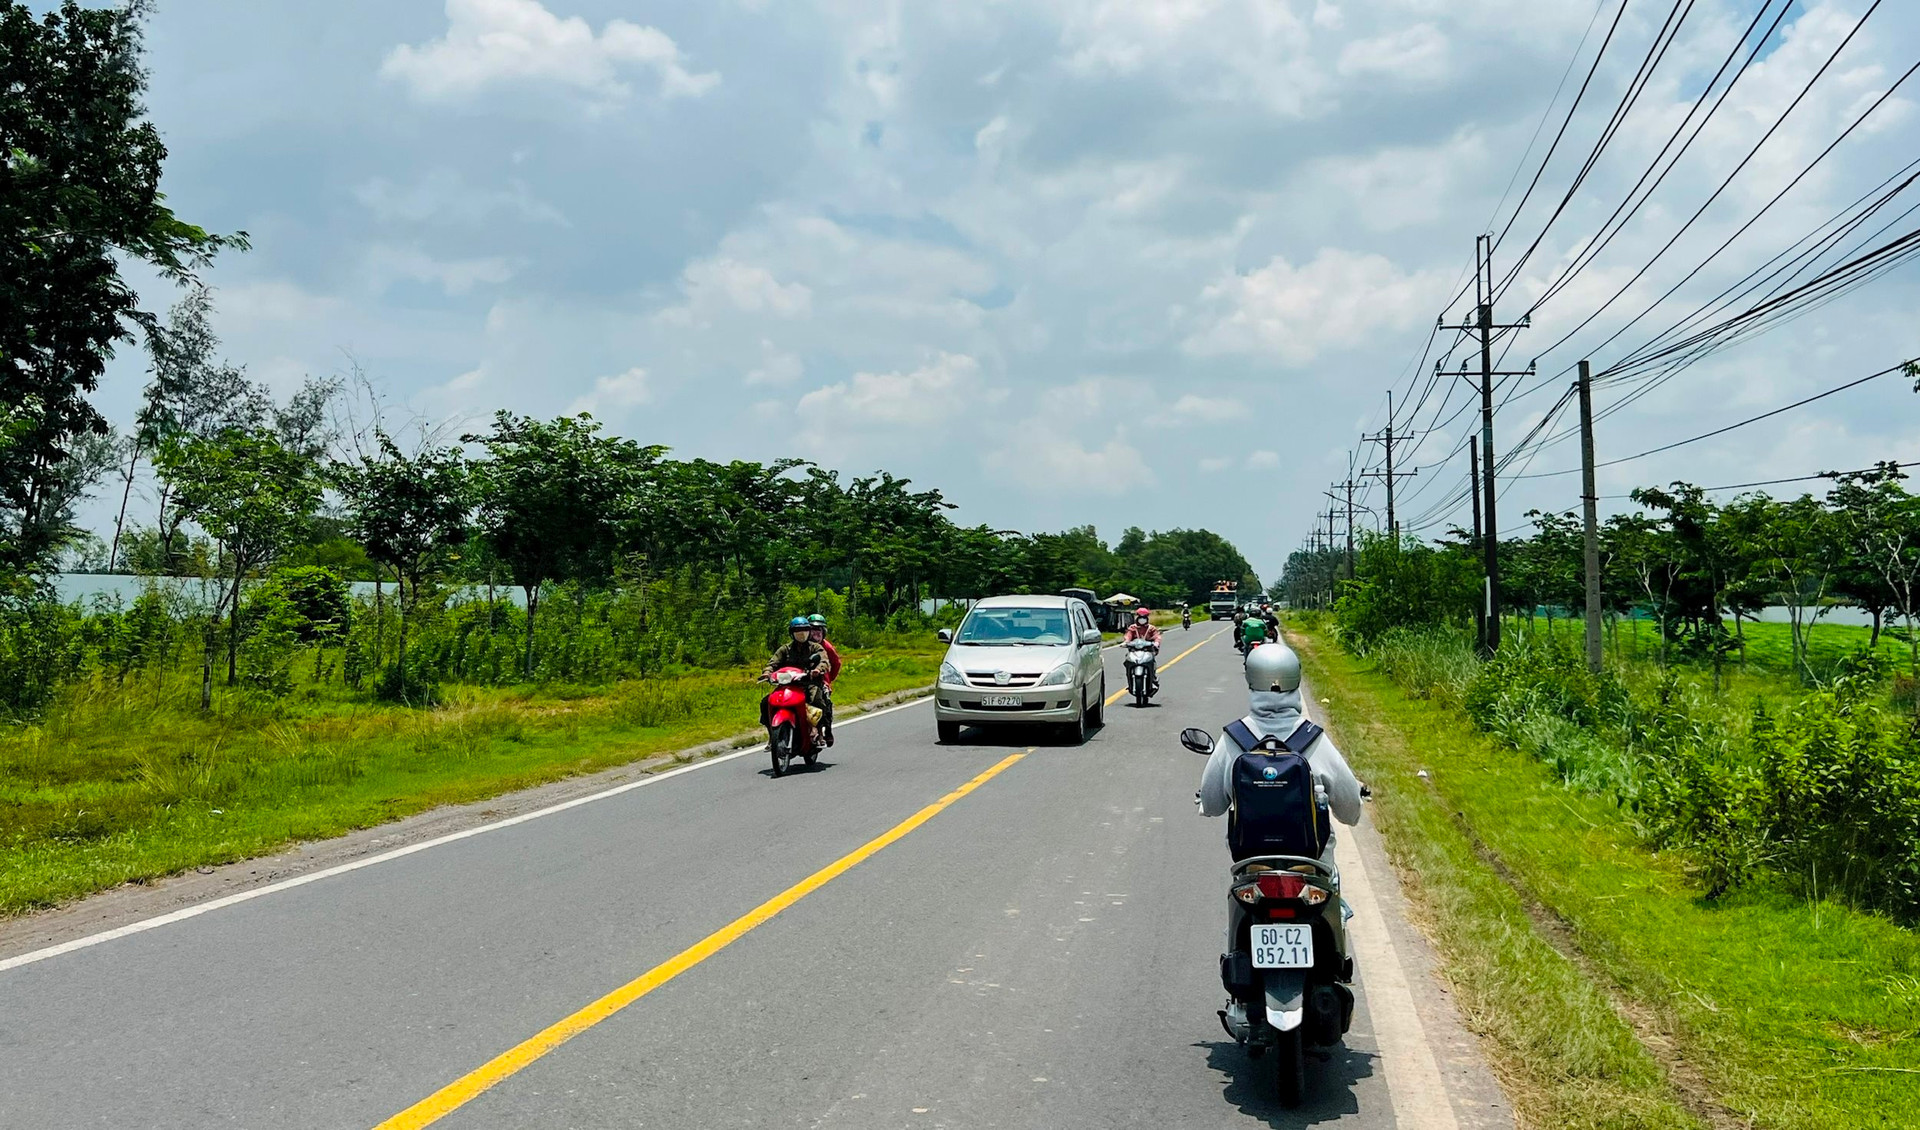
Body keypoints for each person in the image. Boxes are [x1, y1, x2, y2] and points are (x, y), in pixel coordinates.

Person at [1197, 642, 1364, 1010]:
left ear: (1250, 681)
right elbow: (1350, 807)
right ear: (1295, 682)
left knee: (1237, 904)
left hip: (1252, 867)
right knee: (1335, 898)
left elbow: (1210, 803)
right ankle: (1334, 963)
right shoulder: (1313, 739)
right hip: (1312, 866)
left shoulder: (1234, 738)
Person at [765, 616, 833, 745]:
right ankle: (772, 735)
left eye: (804, 631)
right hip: (788, 684)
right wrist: (767, 673)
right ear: (792, 634)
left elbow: (824, 661)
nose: (801, 634)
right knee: (766, 702)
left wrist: (818, 670)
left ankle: (818, 731)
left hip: (809, 683)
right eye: (798, 632)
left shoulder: (816, 648)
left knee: (816, 699)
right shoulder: (785, 649)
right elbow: (773, 662)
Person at [808, 613, 841, 744]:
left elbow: (836, 663)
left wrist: (828, 680)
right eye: (813, 629)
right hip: (803, 679)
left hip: (822, 680)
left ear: (823, 631)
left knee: (824, 702)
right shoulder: (802, 645)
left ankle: (827, 730)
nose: (816, 633)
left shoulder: (827, 647)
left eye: (819, 629)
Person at [1123, 608, 1163, 694]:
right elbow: (1128, 636)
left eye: (1144, 617)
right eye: (1140, 617)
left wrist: (1156, 643)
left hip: (1148, 651)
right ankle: (1130, 678)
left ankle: (1153, 678)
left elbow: (1157, 636)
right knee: (1127, 662)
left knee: (1152, 663)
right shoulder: (1132, 627)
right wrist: (1126, 642)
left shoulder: (1151, 628)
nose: (1142, 619)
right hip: (1134, 651)